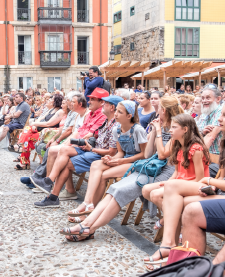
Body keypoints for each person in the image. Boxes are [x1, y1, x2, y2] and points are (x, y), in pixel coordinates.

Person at [144, 100, 225, 271]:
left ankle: (171, 249)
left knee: (179, 198)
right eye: (220, 114)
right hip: (223, 187)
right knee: (173, 191)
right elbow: (222, 174)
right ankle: (170, 246)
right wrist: (211, 185)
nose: (219, 119)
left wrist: (208, 181)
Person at [59, 100, 148, 241]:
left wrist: (119, 161)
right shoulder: (117, 129)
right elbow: (119, 152)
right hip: (124, 160)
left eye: (120, 112)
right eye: (116, 110)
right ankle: (88, 203)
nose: (116, 114)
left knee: (103, 175)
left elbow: (145, 154)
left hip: (136, 163)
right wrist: (110, 159)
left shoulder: (138, 130)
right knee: (96, 164)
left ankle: (89, 213)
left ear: (129, 115)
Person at [33, 96, 123, 207]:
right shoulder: (106, 121)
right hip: (92, 150)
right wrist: (91, 138)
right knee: (64, 155)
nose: (103, 104)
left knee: (65, 158)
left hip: (99, 155)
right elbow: (92, 134)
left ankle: (51, 188)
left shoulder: (116, 125)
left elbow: (112, 152)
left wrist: (91, 148)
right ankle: (51, 191)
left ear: (112, 107)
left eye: (105, 103)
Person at [29, 88, 109, 194]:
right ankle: (49, 182)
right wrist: (63, 141)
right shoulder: (90, 114)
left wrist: (67, 142)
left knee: (58, 152)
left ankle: (49, 182)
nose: (89, 101)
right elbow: (78, 131)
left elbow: (89, 134)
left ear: (102, 102)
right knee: (53, 150)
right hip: (80, 143)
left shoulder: (100, 115)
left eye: (93, 99)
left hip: (87, 147)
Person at [142, 114, 210, 232]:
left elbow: (200, 178)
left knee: (156, 195)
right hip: (179, 182)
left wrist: (173, 185)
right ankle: (176, 218)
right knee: (146, 189)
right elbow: (177, 172)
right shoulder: (178, 145)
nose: (170, 130)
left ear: (185, 129)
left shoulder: (196, 149)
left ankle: (171, 223)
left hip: (195, 184)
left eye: (174, 127)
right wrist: (169, 183)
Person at [20, 92, 86, 191]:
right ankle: (40, 179)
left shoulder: (77, 113)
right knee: (45, 147)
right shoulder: (72, 113)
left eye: (68, 102)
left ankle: (42, 180)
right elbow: (63, 129)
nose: (67, 104)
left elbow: (70, 131)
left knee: (50, 150)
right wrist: (54, 139)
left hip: (73, 142)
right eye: (67, 102)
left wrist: (59, 141)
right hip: (67, 139)